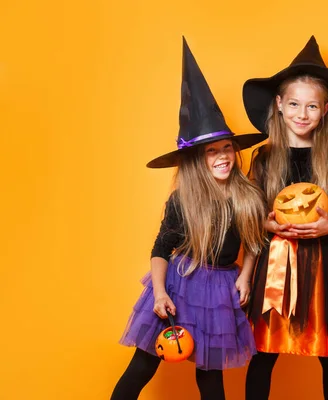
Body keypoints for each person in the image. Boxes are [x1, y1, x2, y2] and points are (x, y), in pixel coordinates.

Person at [111, 37, 267, 400]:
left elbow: (255, 242)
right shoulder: (184, 199)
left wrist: (245, 277)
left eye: (227, 148)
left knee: (210, 378)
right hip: (181, 283)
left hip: (220, 290)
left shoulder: (248, 196)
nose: (223, 157)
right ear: (197, 160)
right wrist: (161, 293)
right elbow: (162, 247)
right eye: (212, 152)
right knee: (142, 366)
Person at [242, 36, 328, 400]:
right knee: (263, 352)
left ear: (326, 109)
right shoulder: (263, 159)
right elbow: (254, 216)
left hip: (324, 264)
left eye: (312, 107)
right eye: (293, 104)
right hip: (276, 264)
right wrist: (268, 225)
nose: (302, 115)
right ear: (278, 105)